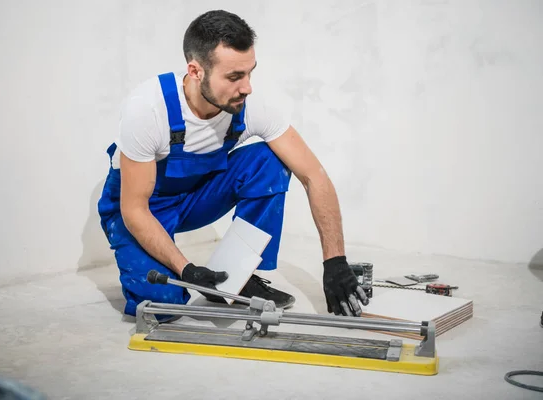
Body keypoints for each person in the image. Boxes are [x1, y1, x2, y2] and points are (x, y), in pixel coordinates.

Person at [97, 9, 369, 320]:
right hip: (141, 207)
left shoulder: (250, 107)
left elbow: (313, 175)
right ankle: (171, 281)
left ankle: (240, 277)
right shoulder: (147, 110)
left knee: (269, 160)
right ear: (196, 71)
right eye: (234, 76)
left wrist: (334, 261)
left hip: (196, 196)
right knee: (162, 309)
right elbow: (134, 209)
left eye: (250, 72)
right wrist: (186, 268)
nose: (247, 87)